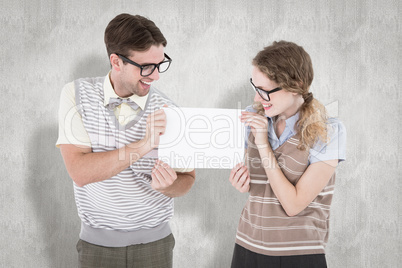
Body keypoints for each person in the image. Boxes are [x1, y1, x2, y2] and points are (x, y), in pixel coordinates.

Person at [56, 13, 195, 268]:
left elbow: (188, 180)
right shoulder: (76, 94)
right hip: (96, 247)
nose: (155, 76)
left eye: (160, 64)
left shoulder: (169, 110)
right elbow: (80, 171)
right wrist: (144, 144)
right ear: (116, 62)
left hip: (156, 245)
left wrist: (167, 186)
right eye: (146, 67)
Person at [229, 41, 346, 268]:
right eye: (255, 88)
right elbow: (260, 183)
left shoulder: (329, 131)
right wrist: (243, 182)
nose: (256, 99)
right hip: (247, 245)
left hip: (299, 253)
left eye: (264, 91)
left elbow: (293, 205)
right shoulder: (253, 116)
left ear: (296, 86)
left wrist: (263, 143)